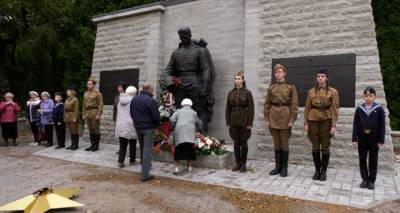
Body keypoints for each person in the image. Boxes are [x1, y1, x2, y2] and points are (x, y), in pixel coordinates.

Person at [160, 26, 215, 132]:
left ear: (190, 35)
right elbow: (168, 70)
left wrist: (205, 87)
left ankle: (203, 138)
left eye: (185, 36)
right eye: (181, 36)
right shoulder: (176, 53)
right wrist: (168, 81)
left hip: (195, 83)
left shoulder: (200, 51)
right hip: (180, 84)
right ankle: (181, 136)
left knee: (200, 110)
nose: (183, 38)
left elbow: (206, 69)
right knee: (179, 110)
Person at [263, 64, 299, 177]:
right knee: (276, 144)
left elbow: (294, 104)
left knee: (284, 144)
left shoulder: (290, 87)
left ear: (284, 73)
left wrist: (292, 120)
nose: (278, 74)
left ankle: (284, 168)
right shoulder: (271, 87)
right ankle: (277, 167)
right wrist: (267, 118)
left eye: (280, 72)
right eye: (276, 72)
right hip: (273, 117)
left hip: (285, 117)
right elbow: (267, 104)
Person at [304, 68, 339, 181]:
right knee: (315, 146)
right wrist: (305, 123)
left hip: (326, 120)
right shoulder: (311, 91)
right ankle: (317, 170)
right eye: (318, 76)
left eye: (322, 76)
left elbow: (335, 109)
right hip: (312, 120)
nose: (320, 78)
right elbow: (307, 108)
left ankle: (324, 171)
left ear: (326, 77)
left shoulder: (333, 92)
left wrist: (333, 125)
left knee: (325, 146)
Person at [352, 87, 385, 190]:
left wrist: (381, 140)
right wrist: (354, 138)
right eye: (366, 96)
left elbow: (382, 125)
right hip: (362, 137)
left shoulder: (379, 109)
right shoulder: (359, 109)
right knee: (362, 159)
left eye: (371, 96)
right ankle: (364, 179)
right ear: (363, 97)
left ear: (374, 97)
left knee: (373, 159)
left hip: (374, 138)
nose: (368, 98)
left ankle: (371, 180)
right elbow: (355, 124)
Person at [130, 83, 160, 182]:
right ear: (149, 89)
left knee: (143, 147)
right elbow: (156, 117)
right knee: (147, 150)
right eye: (153, 90)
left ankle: (145, 166)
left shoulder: (134, 99)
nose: (153, 92)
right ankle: (145, 174)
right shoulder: (151, 101)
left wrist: (137, 122)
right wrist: (156, 124)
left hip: (138, 127)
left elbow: (132, 113)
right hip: (148, 128)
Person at [226, 71, 254, 172]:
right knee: (236, 142)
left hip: (244, 120)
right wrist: (228, 122)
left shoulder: (247, 92)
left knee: (244, 142)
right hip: (233, 121)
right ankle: (237, 163)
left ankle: (243, 164)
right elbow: (227, 109)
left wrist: (250, 123)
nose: (237, 80)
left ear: (243, 80)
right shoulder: (231, 93)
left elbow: (251, 109)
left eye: (239, 78)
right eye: (236, 78)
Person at [170, 98, 202, 174]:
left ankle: (177, 168)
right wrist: (199, 129)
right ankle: (190, 167)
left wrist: (174, 126)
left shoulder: (178, 111)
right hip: (190, 131)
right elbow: (198, 123)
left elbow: (172, 119)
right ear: (190, 104)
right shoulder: (194, 113)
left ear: (182, 104)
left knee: (178, 148)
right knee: (190, 148)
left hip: (179, 130)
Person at [115, 86, 138, 168]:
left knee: (123, 144)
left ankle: (120, 161)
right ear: (134, 93)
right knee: (133, 142)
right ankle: (132, 160)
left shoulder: (120, 99)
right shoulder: (133, 101)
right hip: (130, 123)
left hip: (121, 124)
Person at [83, 78, 104, 152]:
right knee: (90, 129)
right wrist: (84, 113)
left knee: (96, 129)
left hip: (94, 111)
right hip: (88, 112)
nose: (88, 85)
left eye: (90, 84)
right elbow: (84, 104)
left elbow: (101, 104)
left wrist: (99, 114)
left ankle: (96, 146)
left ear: (94, 85)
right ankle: (92, 145)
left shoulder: (98, 93)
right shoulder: (85, 93)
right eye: (87, 84)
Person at [65, 86, 81, 150]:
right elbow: (65, 109)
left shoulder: (75, 99)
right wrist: (65, 117)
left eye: (68, 91)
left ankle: (76, 145)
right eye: (67, 91)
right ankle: (72, 144)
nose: (67, 92)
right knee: (71, 131)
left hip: (73, 116)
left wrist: (75, 117)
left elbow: (76, 109)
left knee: (74, 131)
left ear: (72, 92)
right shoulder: (66, 99)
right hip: (68, 116)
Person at [114, 81, 127, 155]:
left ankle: (123, 149)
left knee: (124, 134)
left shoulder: (126, 96)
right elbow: (114, 108)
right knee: (120, 134)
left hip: (124, 118)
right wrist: (114, 118)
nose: (118, 88)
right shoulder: (117, 96)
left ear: (123, 88)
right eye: (118, 87)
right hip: (118, 117)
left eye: (120, 87)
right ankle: (121, 149)